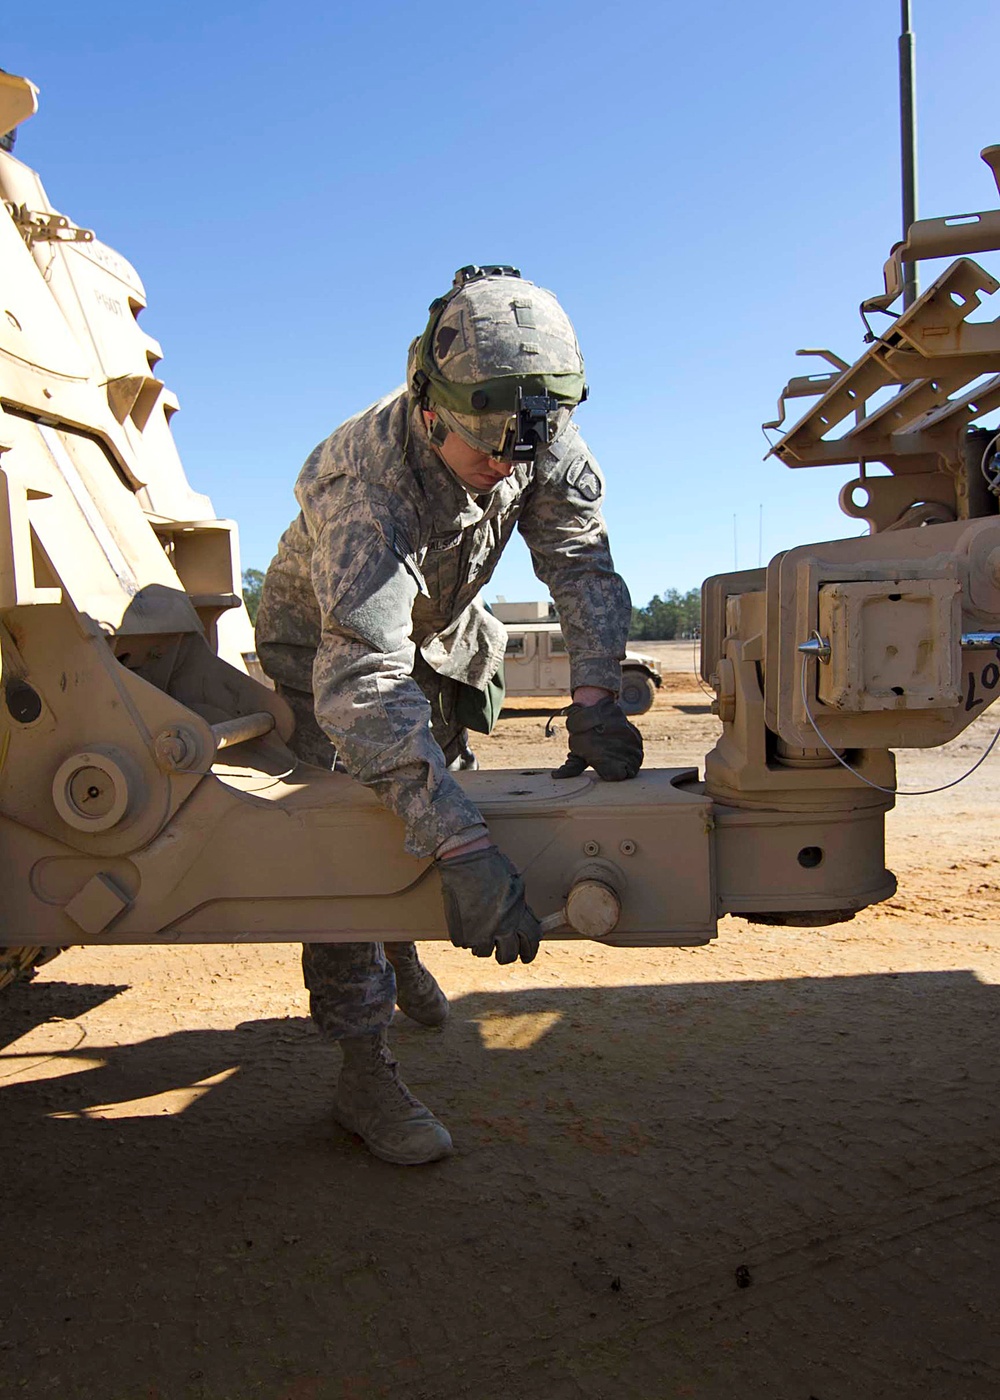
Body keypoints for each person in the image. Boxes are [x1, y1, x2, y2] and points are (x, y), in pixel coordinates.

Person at [256, 265, 642, 1165]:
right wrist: (466, 851)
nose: (509, 467)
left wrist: (595, 694)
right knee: (355, 836)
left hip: (436, 633)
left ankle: (406, 940)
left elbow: (581, 564)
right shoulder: (363, 482)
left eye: (527, 449)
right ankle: (362, 1068)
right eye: (488, 451)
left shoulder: (532, 429)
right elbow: (360, 678)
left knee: (436, 791)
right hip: (328, 655)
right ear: (432, 409)